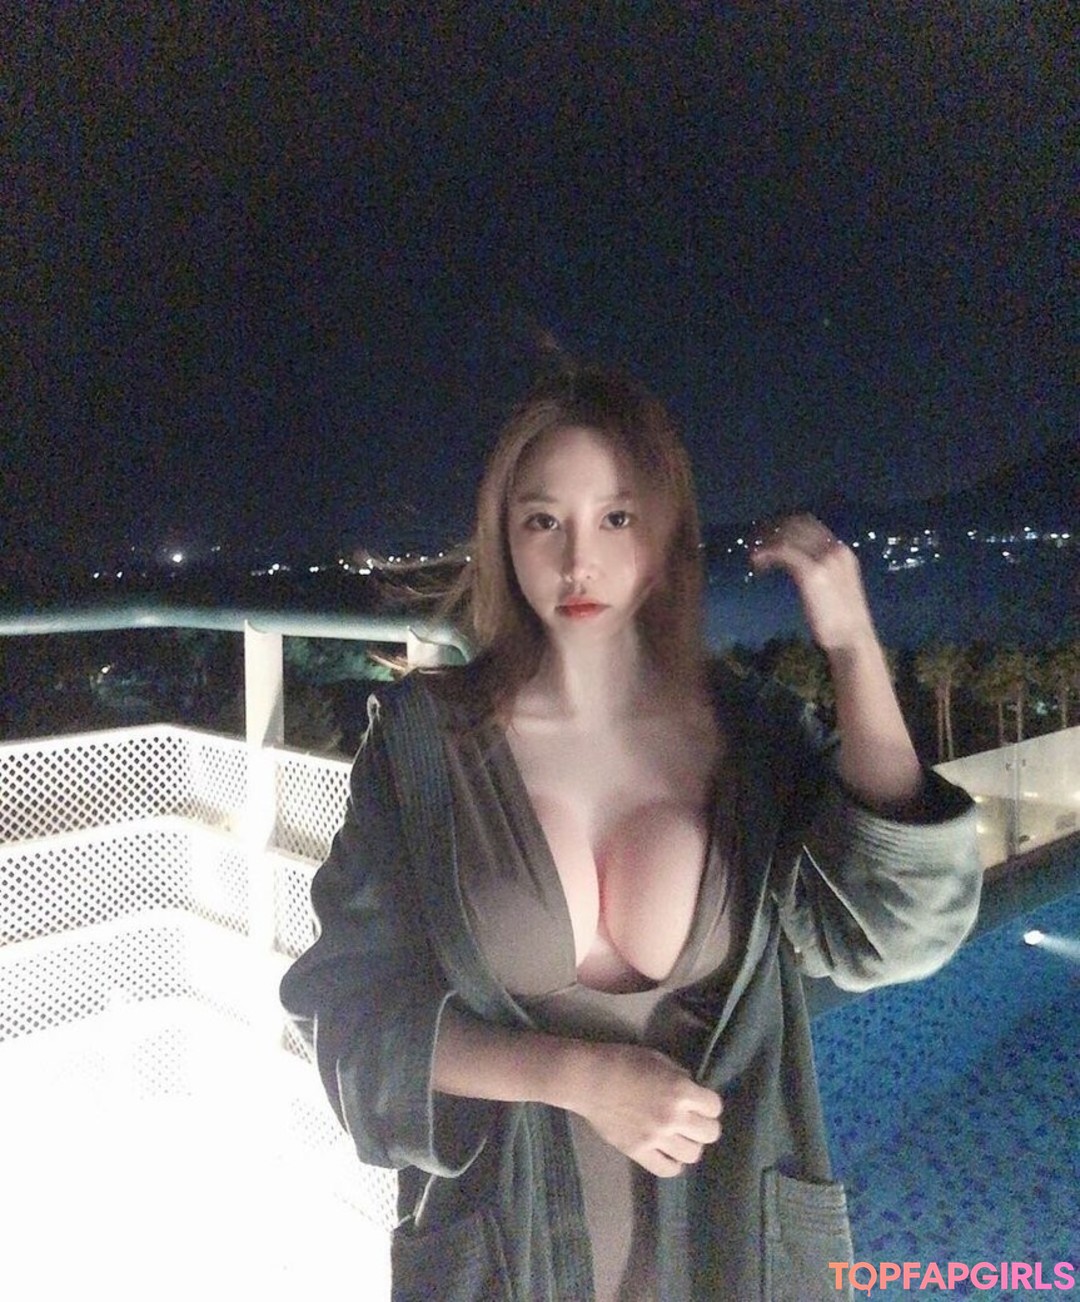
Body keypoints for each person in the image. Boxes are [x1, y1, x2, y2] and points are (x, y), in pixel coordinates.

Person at [280, 365, 982, 1301]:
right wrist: (575, 1078)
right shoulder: (425, 746)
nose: (579, 561)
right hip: (504, 1263)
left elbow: (899, 929)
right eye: (543, 521)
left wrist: (853, 645)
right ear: (503, 539)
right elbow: (344, 1015)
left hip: (740, 1258)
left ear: (665, 534)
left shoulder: (749, 734)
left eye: (616, 518)